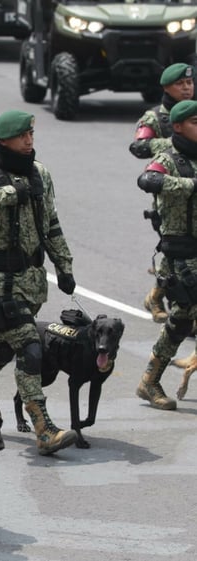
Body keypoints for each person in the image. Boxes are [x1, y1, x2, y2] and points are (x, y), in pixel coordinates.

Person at [0, 110, 77, 455]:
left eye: (31, 135)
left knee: (2, 348)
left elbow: (50, 222)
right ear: (4, 139)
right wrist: (10, 194)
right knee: (29, 348)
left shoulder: (40, 174)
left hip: (33, 280)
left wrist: (63, 265)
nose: (29, 142)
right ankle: (44, 429)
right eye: (22, 137)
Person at [134, 99, 197, 411]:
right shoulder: (169, 159)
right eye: (196, 122)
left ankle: (149, 380)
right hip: (183, 255)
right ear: (178, 126)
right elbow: (148, 179)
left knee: (181, 322)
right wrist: (191, 185)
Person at [130, 62, 195, 323]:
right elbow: (139, 146)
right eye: (181, 84)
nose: (187, 88)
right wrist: (173, 141)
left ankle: (160, 296)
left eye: (190, 83)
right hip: (169, 194)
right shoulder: (156, 117)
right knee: (174, 249)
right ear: (167, 87)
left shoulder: (194, 113)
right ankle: (166, 300)